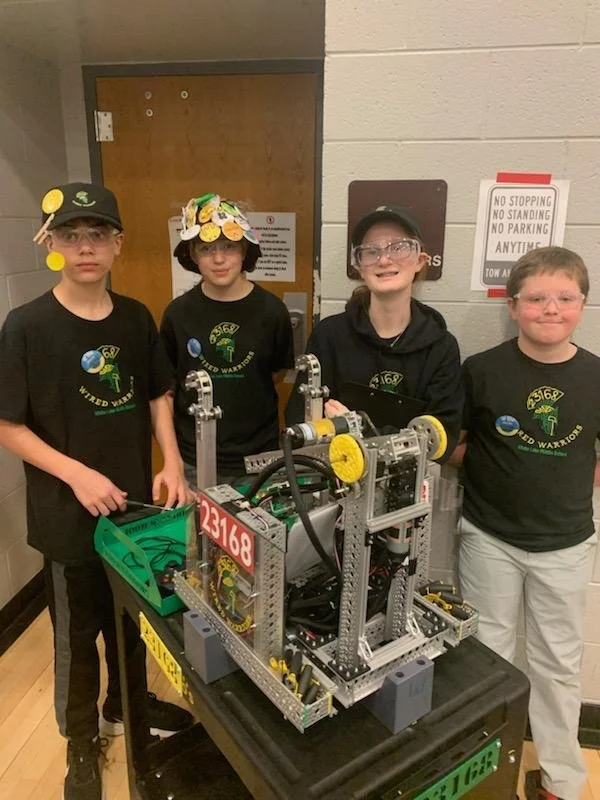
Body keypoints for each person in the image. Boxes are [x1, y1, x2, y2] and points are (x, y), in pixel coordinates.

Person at [0, 182, 194, 800]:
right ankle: (80, 741)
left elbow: (158, 393)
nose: (85, 247)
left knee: (130, 622)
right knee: (78, 639)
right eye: (71, 235)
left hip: (132, 512)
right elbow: (7, 425)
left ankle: (127, 706)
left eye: (97, 235)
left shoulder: (136, 318)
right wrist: (77, 474)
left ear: (117, 244)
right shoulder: (26, 325)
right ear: (51, 244)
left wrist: (173, 462)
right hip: (66, 516)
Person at [454, 246, 600, 800]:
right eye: (536, 298)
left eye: (565, 297)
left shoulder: (596, 375)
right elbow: (458, 447)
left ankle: (562, 779)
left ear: (582, 305)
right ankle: (487, 774)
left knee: (558, 664)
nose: (550, 309)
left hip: (565, 544)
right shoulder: (482, 369)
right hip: (489, 538)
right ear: (513, 306)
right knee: (487, 654)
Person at [285, 204, 462, 459]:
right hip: (335, 474)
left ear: (420, 260)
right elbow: (299, 421)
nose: (384, 260)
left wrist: (356, 429)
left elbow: (441, 439)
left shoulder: (441, 347)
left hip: (410, 481)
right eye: (371, 251)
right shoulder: (329, 336)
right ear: (359, 266)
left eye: (398, 247)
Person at [160, 192, 295, 486]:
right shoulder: (177, 314)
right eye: (206, 248)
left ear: (244, 249)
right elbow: (168, 388)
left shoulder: (272, 311)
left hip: (260, 457)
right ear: (193, 254)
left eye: (229, 246)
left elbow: (275, 374)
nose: (219, 258)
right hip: (195, 457)